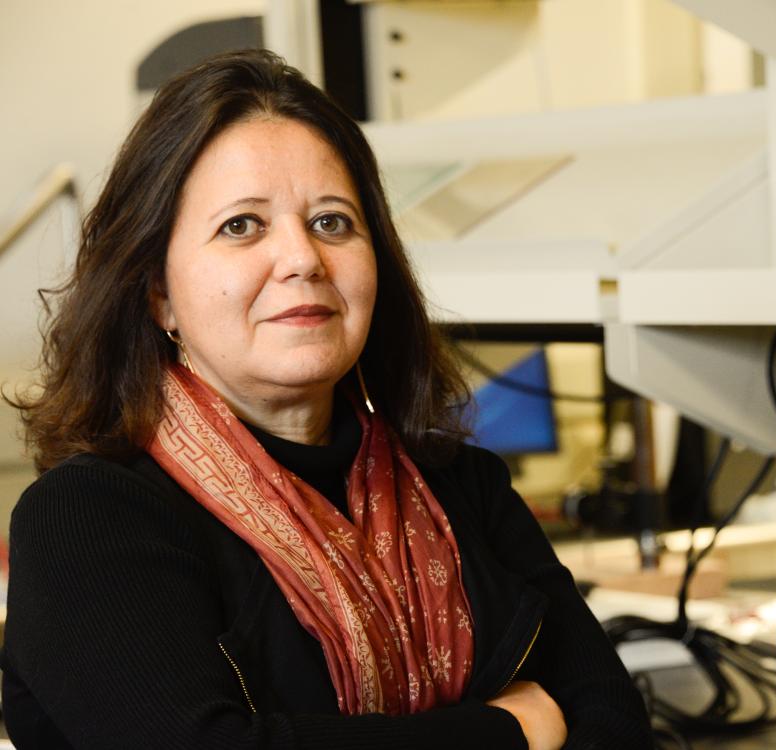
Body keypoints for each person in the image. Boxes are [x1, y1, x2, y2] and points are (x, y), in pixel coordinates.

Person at [0, 50, 653, 749]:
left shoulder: (463, 485)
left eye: (333, 222)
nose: (304, 258)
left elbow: (614, 720)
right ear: (159, 293)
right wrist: (508, 731)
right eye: (242, 225)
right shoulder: (88, 519)